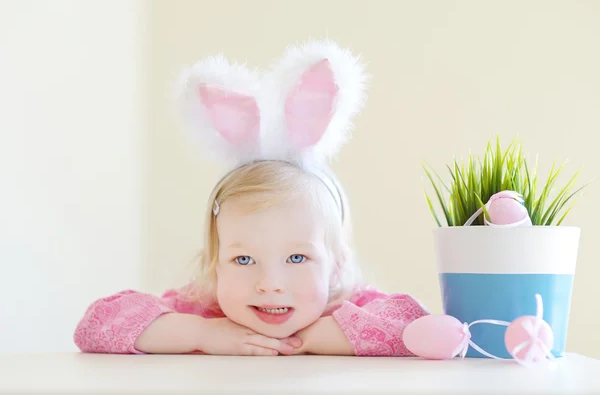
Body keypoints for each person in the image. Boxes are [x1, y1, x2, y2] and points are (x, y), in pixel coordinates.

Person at [73, 39, 429, 357]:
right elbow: (95, 325)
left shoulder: (345, 307)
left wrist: (325, 336)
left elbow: (420, 327)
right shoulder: (204, 310)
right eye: (243, 259)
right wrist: (201, 333)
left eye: (296, 257)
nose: (270, 283)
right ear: (214, 266)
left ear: (336, 266)